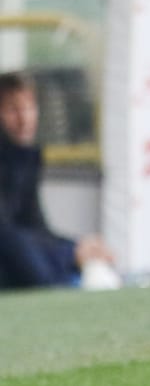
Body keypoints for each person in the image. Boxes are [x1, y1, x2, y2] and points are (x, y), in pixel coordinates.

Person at [0, 72, 119, 291]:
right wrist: (68, 253)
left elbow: (35, 226)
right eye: (13, 110)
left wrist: (78, 246)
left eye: (29, 108)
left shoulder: (28, 158)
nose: (24, 119)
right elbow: (6, 233)